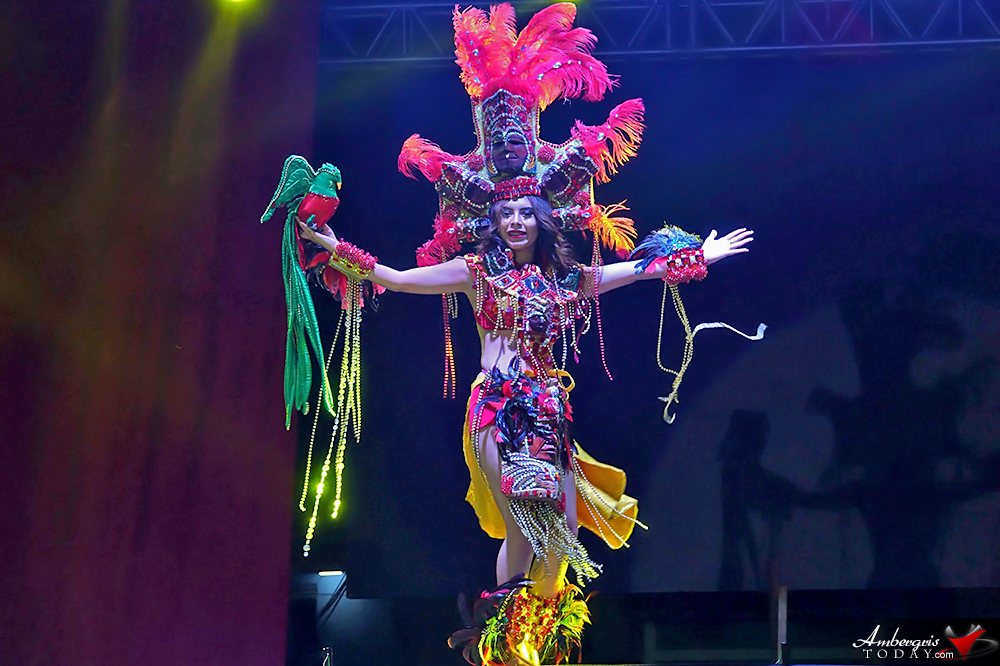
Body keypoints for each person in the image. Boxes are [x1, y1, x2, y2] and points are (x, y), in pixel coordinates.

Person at [298, 186, 751, 662]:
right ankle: (509, 650)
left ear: (540, 222)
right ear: (494, 224)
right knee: (522, 523)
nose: (515, 221)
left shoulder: (566, 280)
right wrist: (333, 246)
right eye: (506, 214)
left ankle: (536, 635)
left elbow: (639, 270)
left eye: (525, 214)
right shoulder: (475, 274)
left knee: (564, 532)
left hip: (548, 412)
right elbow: (398, 278)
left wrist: (703, 253)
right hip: (496, 408)